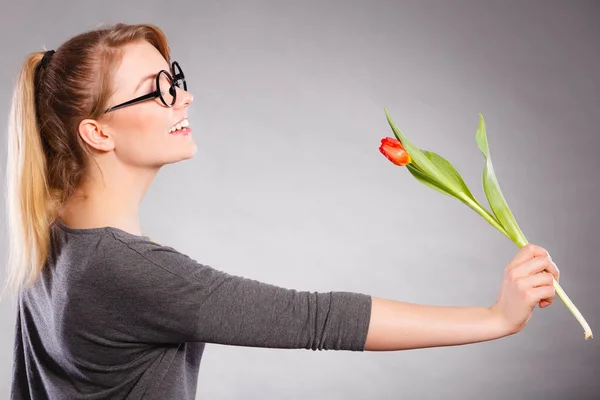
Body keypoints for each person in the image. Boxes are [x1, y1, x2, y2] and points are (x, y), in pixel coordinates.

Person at [3, 23, 559, 400]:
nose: (183, 97)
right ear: (98, 132)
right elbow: (317, 319)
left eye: (176, 79)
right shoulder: (128, 271)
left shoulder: (51, 244)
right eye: (157, 90)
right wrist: (495, 318)